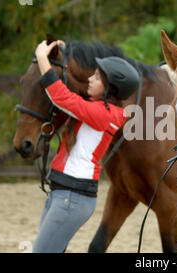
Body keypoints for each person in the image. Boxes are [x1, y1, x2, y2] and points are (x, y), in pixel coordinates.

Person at [32, 40, 140, 253]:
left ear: (111, 86)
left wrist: (42, 57)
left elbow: (61, 97)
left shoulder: (104, 114)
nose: (91, 78)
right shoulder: (100, 109)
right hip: (64, 193)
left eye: (98, 76)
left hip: (71, 197)